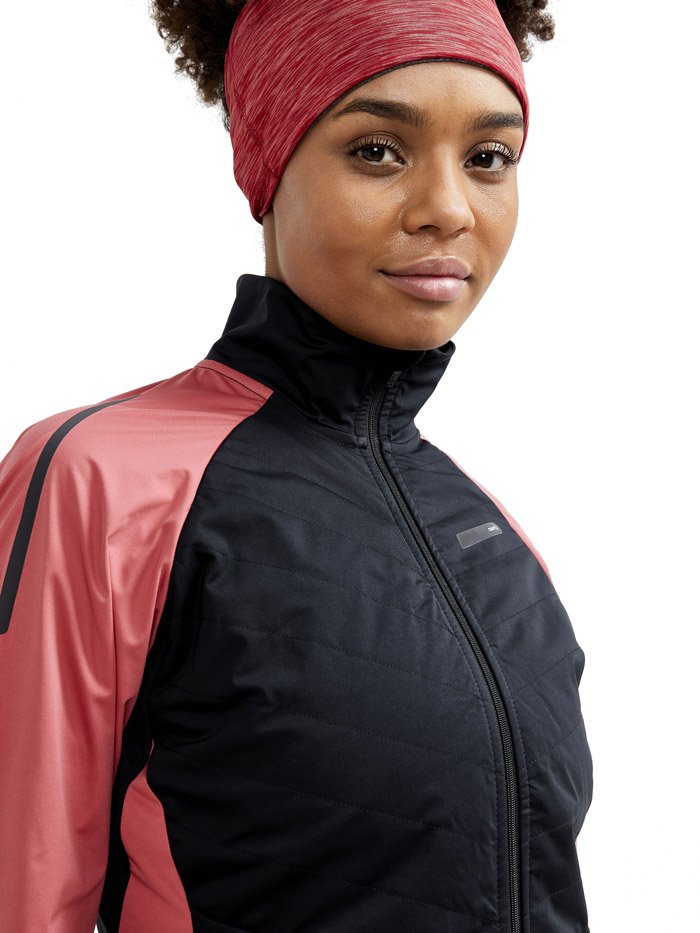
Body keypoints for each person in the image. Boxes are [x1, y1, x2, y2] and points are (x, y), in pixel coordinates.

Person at [0, 0, 594, 930]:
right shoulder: (103, 480)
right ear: (267, 165)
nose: (448, 208)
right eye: (378, 151)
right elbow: (23, 885)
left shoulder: (500, 545)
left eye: (489, 158)